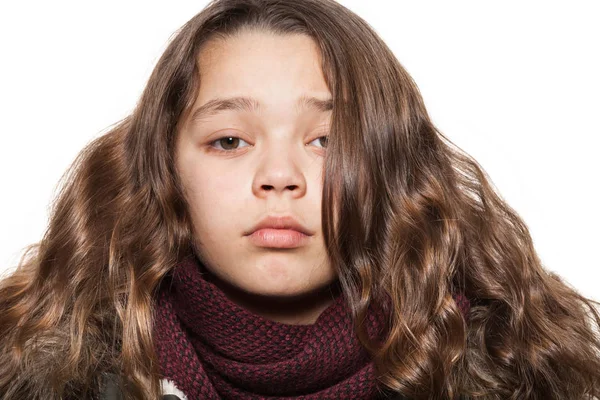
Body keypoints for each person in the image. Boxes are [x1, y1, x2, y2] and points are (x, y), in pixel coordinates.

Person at [1, 0, 599, 399]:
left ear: (388, 165)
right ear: (165, 169)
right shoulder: (46, 372)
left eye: (327, 140)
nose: (280, 177)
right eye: (229, 140)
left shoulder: (516, 370)